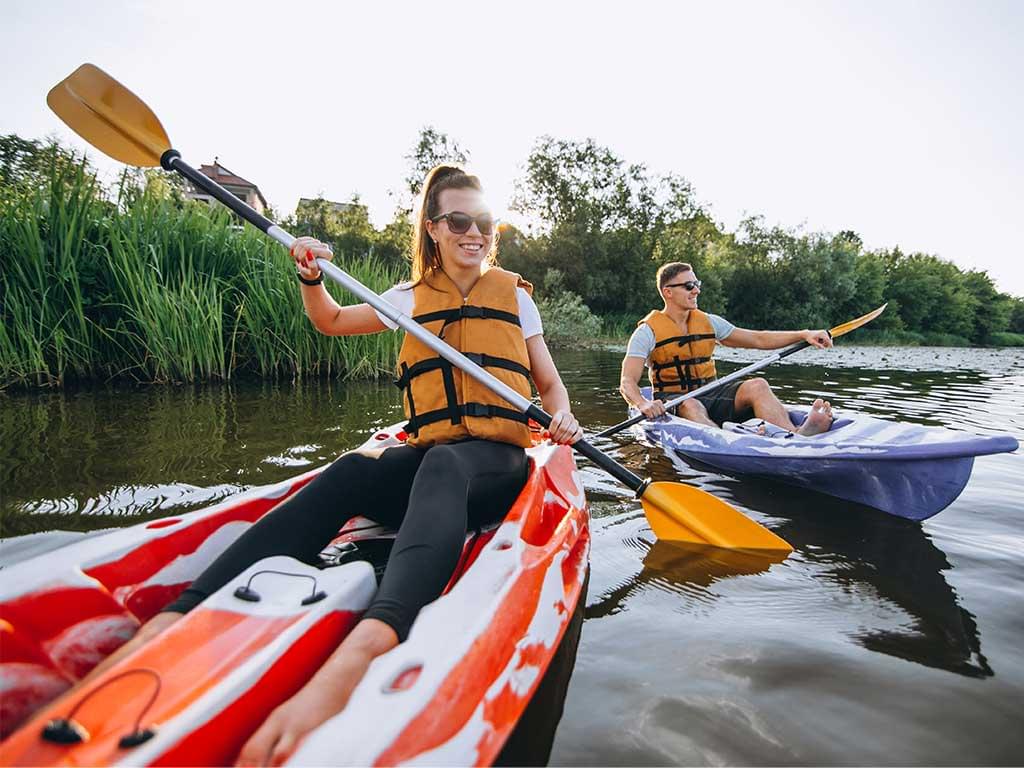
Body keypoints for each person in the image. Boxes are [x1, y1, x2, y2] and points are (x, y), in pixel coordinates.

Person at [80, 165, 583, 766]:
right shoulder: (404, 299)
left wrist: (564, 419)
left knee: (445, 465)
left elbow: (549, 386)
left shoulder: (516, 297)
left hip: (492, 465)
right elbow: (330, 320)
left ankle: (363, 650)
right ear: (434, 228)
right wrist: (309, 276)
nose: (473, 232)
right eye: (458, 221)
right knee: (352, 469)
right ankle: (177, 615)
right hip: (432, 459)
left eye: (483, 222)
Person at [619, 261, 835, 435]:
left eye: (697, 284)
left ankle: (795, 435)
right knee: (691, 405)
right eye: (688, 286)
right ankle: (733, 440)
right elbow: (627, 382)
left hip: (712, 393)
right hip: (675, 401)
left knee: (758, 385)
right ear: (668, 292)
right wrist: (642, 403)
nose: (696, 291)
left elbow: (758, 339)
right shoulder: (647, 332)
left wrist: (804, 334)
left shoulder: (710, 322)